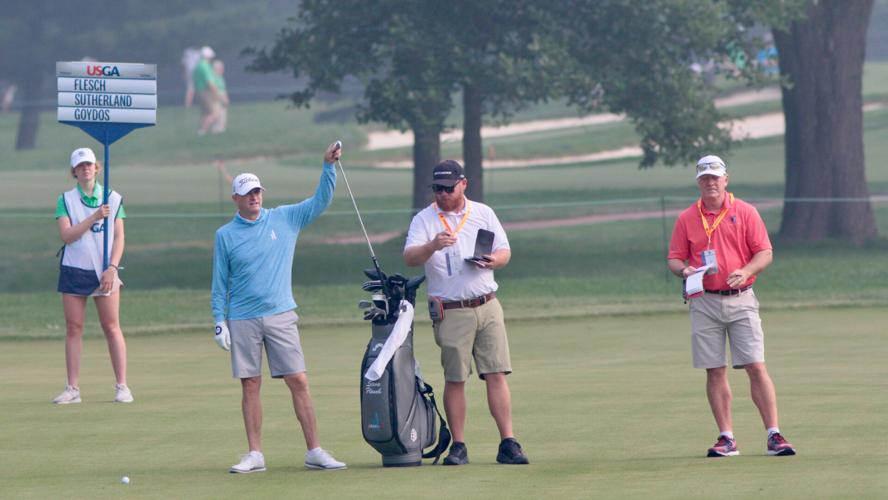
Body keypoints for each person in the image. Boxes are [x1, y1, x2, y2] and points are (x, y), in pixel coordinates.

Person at [211, 142, 346, 474]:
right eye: (247, 193)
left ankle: (314, 450)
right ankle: (254, 454)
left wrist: (328, 167)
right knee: (250, 383)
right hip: (242, 317)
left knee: (298, 379)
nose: (254, 197)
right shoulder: (225, 235)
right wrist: (219, 320)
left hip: (280, 312)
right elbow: (220, 282)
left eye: (257, 191)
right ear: (236, 199)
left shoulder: (285, 218)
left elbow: (320, 202)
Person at [667, 155, 796, 458]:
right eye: (705, 178)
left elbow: (764, 252)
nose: (710, 182)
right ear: (698, 182)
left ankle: (774, 435)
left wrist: (748, 271)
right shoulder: (687, 217)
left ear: (726, 179)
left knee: (755, 365)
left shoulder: (745, 212)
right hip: (704, 301)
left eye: (715, 177)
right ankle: (727, 438)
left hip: (741, 298)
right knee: (714, 370)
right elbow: (674, 257)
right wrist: (685, 271)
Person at [403, 160, 529, 466]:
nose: (443, 194)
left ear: (463, 184)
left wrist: (492, 261)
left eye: (448, 188)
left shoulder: (483, 213)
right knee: (455, 377)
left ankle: (508, 442)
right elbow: (409, 257)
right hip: (451, 308)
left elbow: (504, 251)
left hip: (487, 303)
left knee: (497, 373)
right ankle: (459, 445)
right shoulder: (425, 219)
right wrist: (432, 245)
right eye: (437, 189)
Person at [53, 147, 133, 404]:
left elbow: (119, 237)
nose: (85, 169)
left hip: (105, 271)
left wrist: (112, 267)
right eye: (80, 166)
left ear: (96, 168)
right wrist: (95, 216)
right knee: (73, 328)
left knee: (111, 327)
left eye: (89, 165)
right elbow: (67, 235)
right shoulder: (65, 200)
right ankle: (73, 389)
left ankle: (122, 386)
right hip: (75, 269)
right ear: (74, 172)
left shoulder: (114, 197)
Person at [193, 46, 221, 136]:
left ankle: (207, 131)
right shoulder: (205, 66)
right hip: (206, 92)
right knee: (214, 113)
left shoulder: (197, 66)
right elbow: (210, 82)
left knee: (205, 113)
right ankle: (202, 131)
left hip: (199, 91)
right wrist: (216, 93)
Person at [210, 59, 229, 134]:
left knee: (223, 114)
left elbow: (223, 89)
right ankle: (215, 130)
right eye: (220, 68)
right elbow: (214, 90)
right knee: (217, 114)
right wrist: (221, 98)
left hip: (222, 97)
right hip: (216, 98)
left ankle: (221, 129)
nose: (222, 69)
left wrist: (226, 98)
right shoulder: (213, 78)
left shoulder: (220, 78)